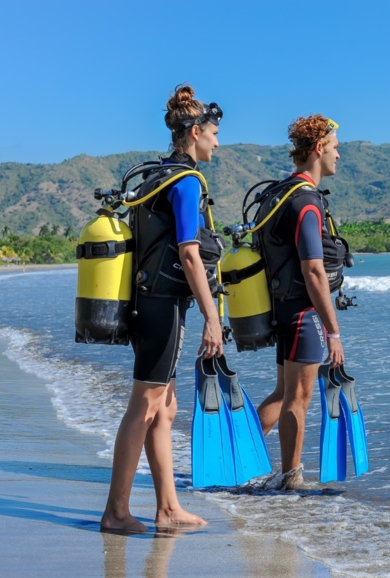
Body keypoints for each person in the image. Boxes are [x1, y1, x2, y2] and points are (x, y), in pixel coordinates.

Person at [101, 85, 224, 532]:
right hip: (163, 307)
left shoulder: (159, 176)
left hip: (147, 302)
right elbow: (189, 253)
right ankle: (116, 512)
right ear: (193, 133)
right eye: (212, 133)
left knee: (165, 407)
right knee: (147, 405)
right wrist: (213, 318)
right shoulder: (186, 181)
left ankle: (168, 508)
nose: (216, 142)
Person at [256, 114, 348, 488]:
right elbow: (313, 271)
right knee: (299, 398)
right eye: (336, 148)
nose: (339, 156)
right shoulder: (306, 201)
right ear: (318, 149)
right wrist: (334, 331)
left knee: (284, 393)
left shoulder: (282, 193)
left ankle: (239, 459)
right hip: (301, 312)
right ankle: (290, 477)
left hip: (283, 307)